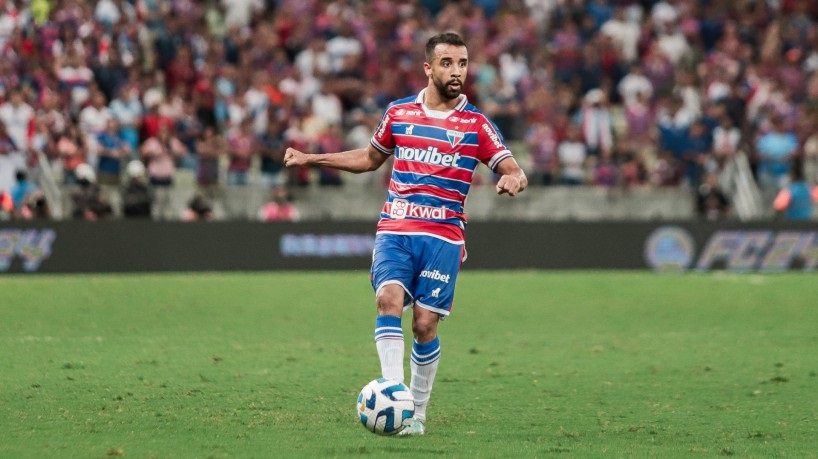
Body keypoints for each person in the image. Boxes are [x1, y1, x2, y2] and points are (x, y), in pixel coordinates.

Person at [282, 32, 528, 436]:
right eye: (447, 63)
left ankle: (418, 415)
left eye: (463, 63)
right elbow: (368, 158)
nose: (457, 71)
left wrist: (513, 181)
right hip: (397, 226)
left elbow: (514, 169)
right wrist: (312, 157)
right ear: (428, 68)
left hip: (444, 236)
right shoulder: (398, 113)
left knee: (425, 325)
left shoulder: (477, 124)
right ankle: (395, 397)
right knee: (388, 298)